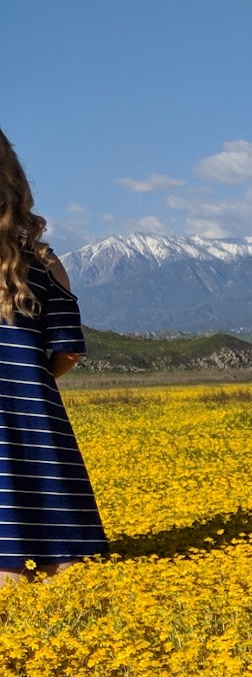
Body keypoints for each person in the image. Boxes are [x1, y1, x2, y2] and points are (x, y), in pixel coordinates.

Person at [0, 126, 106, 582]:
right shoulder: (42, 260)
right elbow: (69, 350)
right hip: (36, 421)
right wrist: (30, 384)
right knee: (63, 564)